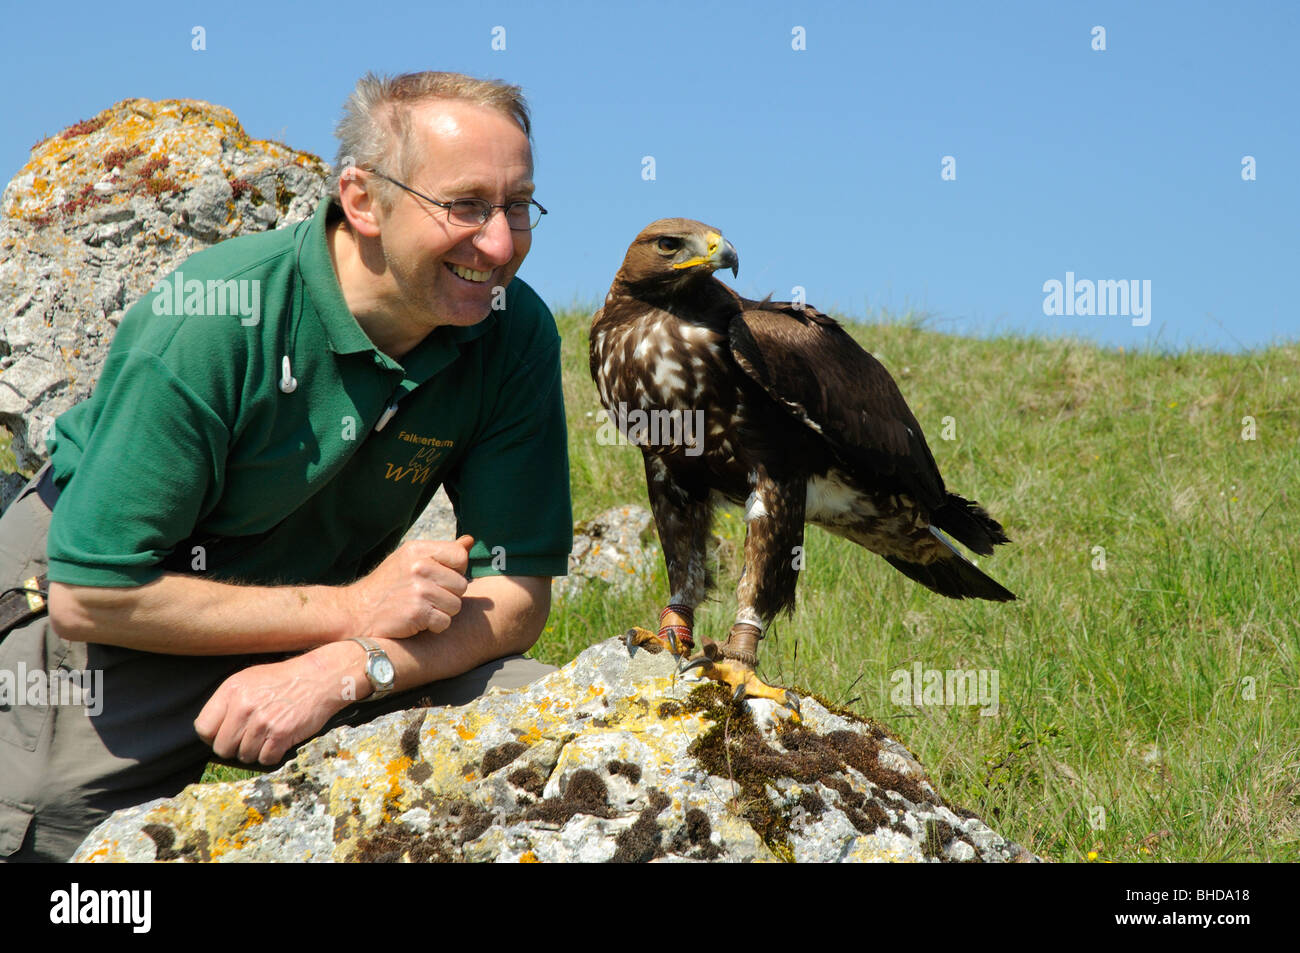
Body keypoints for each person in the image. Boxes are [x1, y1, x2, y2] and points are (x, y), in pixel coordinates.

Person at [0, 71, 572, 862]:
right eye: (466, 205)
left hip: (327, 615)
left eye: (517, 206)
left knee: (542, 737)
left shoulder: (514, 333)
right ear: (364, 199)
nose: (501, 245)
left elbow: (514, 591)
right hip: (119, 605)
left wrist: (352, 665)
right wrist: (355, 611)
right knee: (57, 846)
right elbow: (90, 594)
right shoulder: (213, 317)